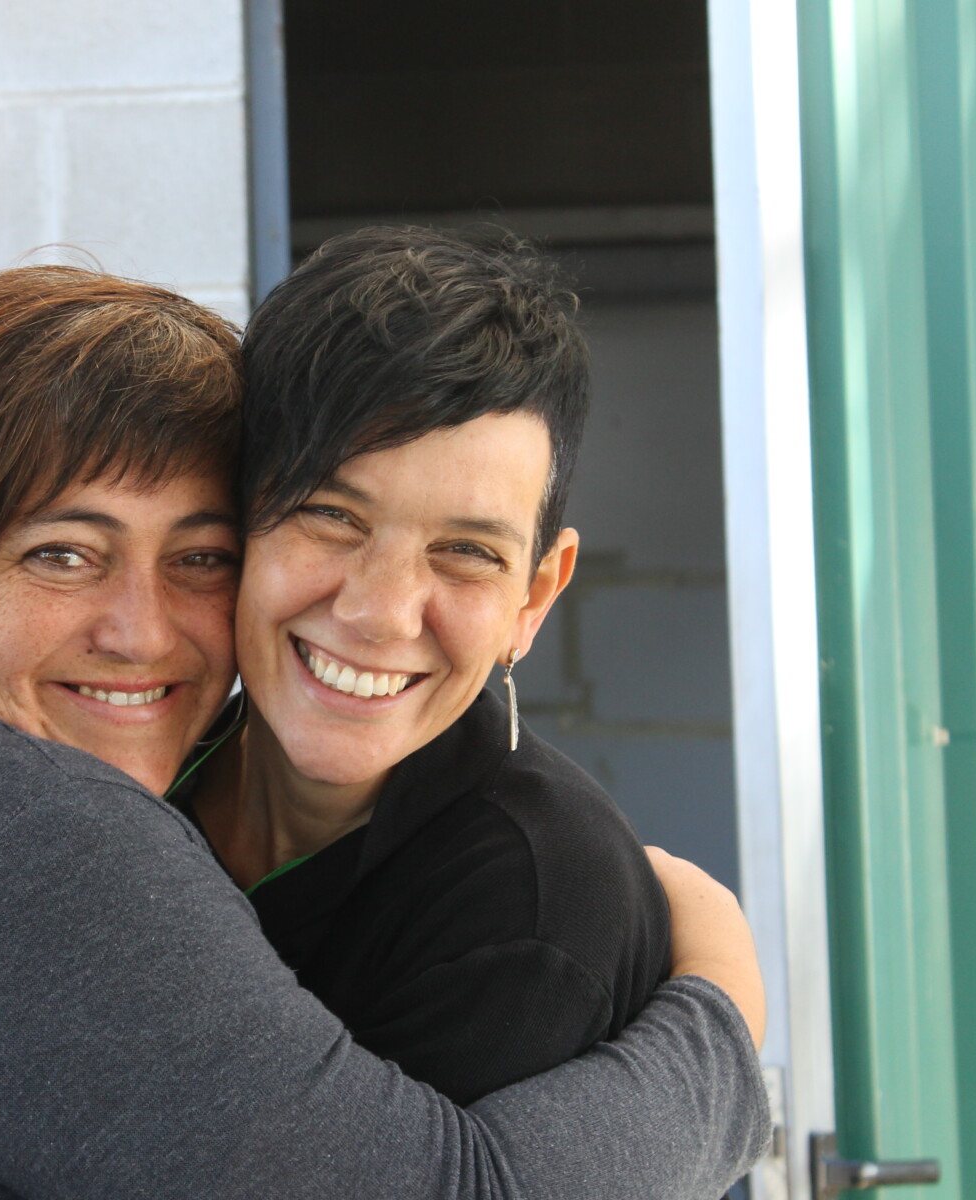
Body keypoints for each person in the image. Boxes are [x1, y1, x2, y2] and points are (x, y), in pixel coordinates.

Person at [0, 265, 769, 1200]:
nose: (142, 634)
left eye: (199, 558)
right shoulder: (34, 841)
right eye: (62, 555)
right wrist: (720, 1013)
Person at [178, 226, 668, 1104]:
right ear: (236, 511)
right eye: (331, 515)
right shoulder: (141, 756)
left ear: (534, 597)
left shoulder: (537, 912)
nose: (380, 612)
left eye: (468, 552)